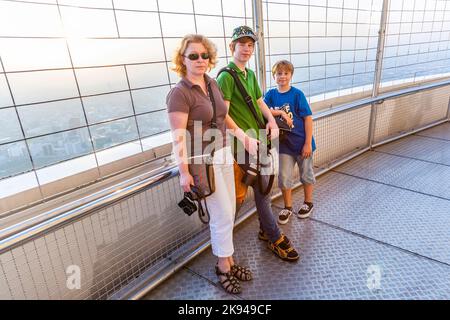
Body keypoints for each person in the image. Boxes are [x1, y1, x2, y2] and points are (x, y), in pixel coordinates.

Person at [167, 34, 252, 294]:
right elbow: (178, 136)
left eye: (204, 55)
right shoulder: (179, 94)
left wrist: (244, 137)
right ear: (183, 59)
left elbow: (223, 117)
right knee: (222, 213)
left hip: (224, 153)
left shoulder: (211, 83)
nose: (200, 60)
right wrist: (184, 172)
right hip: (202, 162)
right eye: (193, 55)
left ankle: (229, 260)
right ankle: (223, 266)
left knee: (231, 209)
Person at [217, 26, 300, 262]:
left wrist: (273, 121)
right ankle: (269, 236)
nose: (246, 48)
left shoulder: (249, 74)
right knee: (244, 198)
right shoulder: (226, 76)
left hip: (257, 142)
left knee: (263, 189)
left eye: (250, 44)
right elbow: (222, 114)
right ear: (232, 47)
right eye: (241, 44)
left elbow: (258, 101)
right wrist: (243, 137)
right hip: (240, 147)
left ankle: (267, 231)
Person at [264, 60, 316, 225]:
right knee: (284, 177)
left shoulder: (297, 94)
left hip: (301, 142)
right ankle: (287, 207)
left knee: (306, 174)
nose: (282, 77)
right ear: (274, 76)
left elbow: (308, 119)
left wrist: (307, 143)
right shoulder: (271, 95)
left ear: (291, 75)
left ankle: (308, 202)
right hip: (285, 144)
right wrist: (279, 111)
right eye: (279, 74)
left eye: (286, 73)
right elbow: (262, 109)